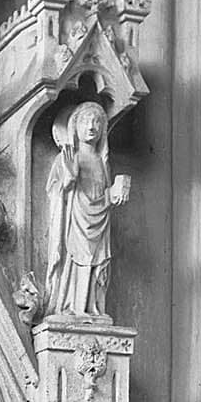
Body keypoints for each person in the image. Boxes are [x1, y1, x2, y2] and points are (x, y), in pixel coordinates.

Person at [44, 101, 130, 318]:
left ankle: (92, 308)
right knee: (77, 261)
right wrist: (68, 180)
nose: (91, 126)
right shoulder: (66, 158)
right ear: (74, 126)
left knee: (96, 263)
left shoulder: (102, 162)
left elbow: (102, 197)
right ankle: (73, 307)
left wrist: (115, 192)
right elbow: (54, 191)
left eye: (97, 122)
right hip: (75, 222)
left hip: (99, 224)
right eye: (85, 121)